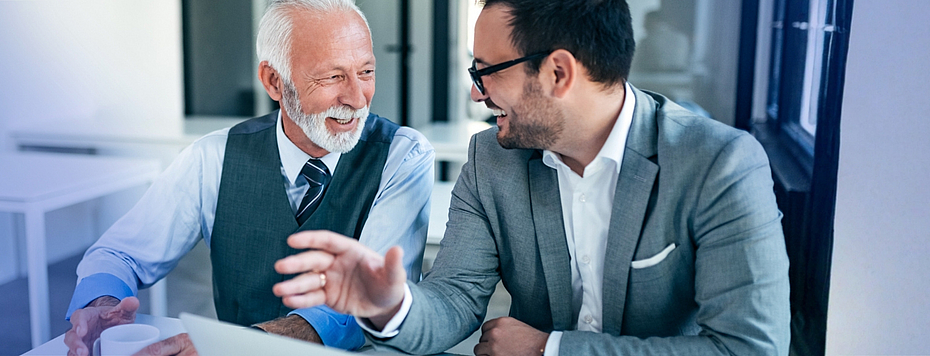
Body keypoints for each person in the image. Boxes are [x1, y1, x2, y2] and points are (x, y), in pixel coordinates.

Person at [271, 0, 790, 355]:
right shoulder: (492, 159)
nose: (476, 93)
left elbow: (747, 348)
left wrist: (550, 349)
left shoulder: (720, 164)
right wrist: (392, 305)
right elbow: (454, 298)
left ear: (558, 74)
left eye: (486, 70)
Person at [61, 1, 434, 355]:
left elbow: (375, 299)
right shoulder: (214, 157)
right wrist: (102, 304)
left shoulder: (402, 157)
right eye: (333, 76)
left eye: (366, 72)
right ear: (274, 81)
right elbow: (119, 253)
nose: (357, 97)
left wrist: (247, 345)